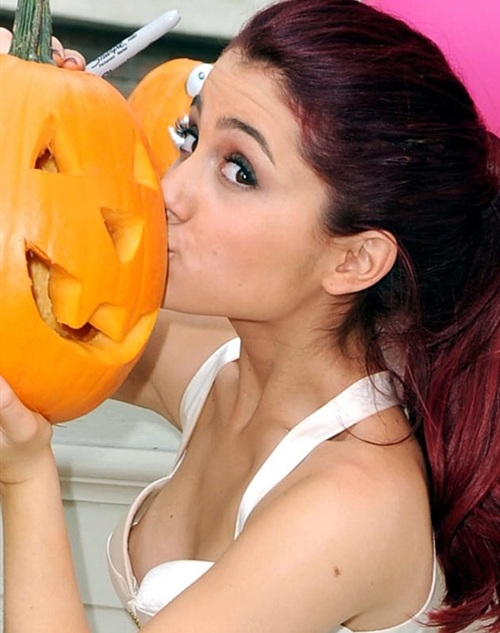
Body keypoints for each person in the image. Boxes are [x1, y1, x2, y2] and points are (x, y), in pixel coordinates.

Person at [0, 1, 499, 631]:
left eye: (239, 171)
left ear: (355, 259)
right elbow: (25, 298)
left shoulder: (350, 502)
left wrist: (24, 479)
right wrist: (28, 111)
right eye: (190, 136)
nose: (169, 192)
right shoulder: (226, 367)